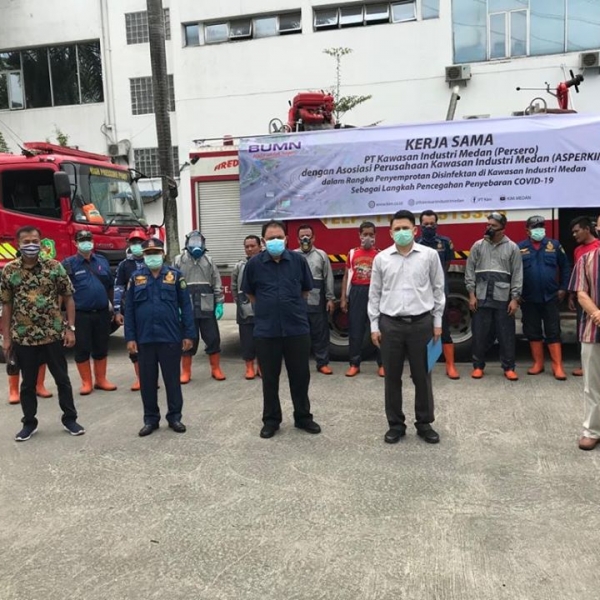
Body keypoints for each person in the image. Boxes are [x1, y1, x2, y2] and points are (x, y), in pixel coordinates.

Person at [368, 210, 445, 445]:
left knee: (423, 376)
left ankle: (424, 423)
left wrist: (437, 323)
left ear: (415, 230)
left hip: (422, 324)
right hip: (390, 325)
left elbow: (438, 289)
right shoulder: (381, 259)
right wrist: (374, 325)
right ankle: (395, 425)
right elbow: (375, 294)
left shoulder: (429, 256)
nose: (401, 232)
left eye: (406, 228)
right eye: (397, 229)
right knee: (392, 378)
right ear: (390, 232)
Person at [1, 225, 84, 441]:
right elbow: (7, 306)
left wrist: (70, 328)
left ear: (41, 242)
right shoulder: (9, 271)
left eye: (35, 241)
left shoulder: (54, 267)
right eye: (26, 241)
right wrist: (7, 337)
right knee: (28, 384)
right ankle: (29, 423)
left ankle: (70, 419)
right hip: (24, 336)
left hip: (52, 334)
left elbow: (68, 297)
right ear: (18, 244)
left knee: (62, 379)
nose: (31, 245)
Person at [241, 219, 321, 439]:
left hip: (296, 328)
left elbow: (306, 290)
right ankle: (271, 420)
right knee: (269, 379)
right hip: (267, 330)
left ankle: (303, 417)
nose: (275, 241)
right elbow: (249, 293)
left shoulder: (297, 261)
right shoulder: (254, 264)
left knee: (300, 376)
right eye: (270, 238)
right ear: (263, 241)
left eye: (279, 237)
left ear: (286, 239)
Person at [124, 238, 195, 437]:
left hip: (170, 337)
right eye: (148, 253)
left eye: (155, 252)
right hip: (144, 338)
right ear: (143, 255)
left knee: (172, 380)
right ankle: (150, 419)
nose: (152, 256)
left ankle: (175, 417)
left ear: (162, 254)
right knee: (147, 382)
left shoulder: (175, 276)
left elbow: (186, 307)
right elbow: (129, 309)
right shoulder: (135, 278)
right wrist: (130, 337)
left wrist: (189, 333)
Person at [465, 212, 523, 380]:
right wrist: (471, 295)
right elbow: (469, 271)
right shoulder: (478, 245)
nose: (489, 228)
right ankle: (477, 366)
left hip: (503, 298)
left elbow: (517, 275)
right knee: (480, 333)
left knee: (506, 334)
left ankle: (508, 367)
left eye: (493, 226)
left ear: (502, 229)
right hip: (481, 297)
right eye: (488, 225)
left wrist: (514, 299)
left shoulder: (512, 247)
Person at [63, 231, 117, 395]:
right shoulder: (68, 263)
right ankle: (87, 382)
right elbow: (63, 292)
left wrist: (114, 308)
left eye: (88, 239)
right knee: (83, 347)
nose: (86, 243)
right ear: (75, 243)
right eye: (82, 240)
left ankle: (101, 380)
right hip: (81, 314)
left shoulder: (101, 261)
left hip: (101, 312)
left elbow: (110, 286)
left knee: (101, 346)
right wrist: (64, 317)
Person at [517, 215, 571, 380]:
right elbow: (514, 273)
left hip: (550, 296)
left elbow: (565, 266)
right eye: (535, 227)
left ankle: (558, 366)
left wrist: (563, 288)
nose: (538, 229)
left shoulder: (554, 245)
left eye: (541, 226)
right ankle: (538, 364)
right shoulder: (520, 248)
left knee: (553, 331)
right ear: (527, 230)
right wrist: (516, 293)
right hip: (529, 298)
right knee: (532, 331)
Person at [173, 231, 226, 382]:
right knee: (187, 338)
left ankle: (216, 369)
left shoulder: (209, 260)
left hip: (207, 304)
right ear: (187, 243)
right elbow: (173, 284)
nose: (196, 244)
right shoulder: (179, 260)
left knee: (213, 337)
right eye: (192, 241)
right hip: (186, 305)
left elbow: (217, 283)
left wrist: (219, 304)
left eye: (199, 241)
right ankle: (186, 372)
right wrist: (175, 305)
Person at [416, 209, 459, 379]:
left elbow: (447, 264)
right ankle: (425, 366)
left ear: (437, 224)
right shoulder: (416, 243)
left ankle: (450, 366)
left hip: (441, 291)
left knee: (444, 327)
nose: (428, 227)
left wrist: (438, 281)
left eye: (432, 224)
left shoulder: (445, 242)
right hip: (421, 293)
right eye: (425, 224)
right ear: (420, 226)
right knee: (422, 329)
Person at [340, 221, 383, 377]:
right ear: (359, 235)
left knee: (378, 328)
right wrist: (344, 298)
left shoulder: (380, 254)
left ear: (375, 236)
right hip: (357, 292)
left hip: (374, 293)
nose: (368, 237)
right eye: (365, 234)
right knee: (356, 330)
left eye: (371, 235)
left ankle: (382, 364)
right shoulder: (352, 253)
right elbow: (346, 276)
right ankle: (354, 364)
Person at [569, 246, 600, 450]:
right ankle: (592, 431)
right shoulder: (586, 259)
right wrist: (597, 313)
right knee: (592, 385)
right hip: (593, 329)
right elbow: (581, 293)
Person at [295, 224, 335, 374]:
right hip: (298, 302)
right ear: (297, 239)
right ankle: (299, 364)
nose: (305, 238)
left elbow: (328, 278)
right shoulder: (293, 255)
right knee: (299, 335)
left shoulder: (321, 255)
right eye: (302, 236)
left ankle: (322, 363)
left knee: (320, 333)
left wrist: (330, 298)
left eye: (308, 235)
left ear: (314, 237)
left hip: (317, 301)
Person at [114, 228, 148, 391]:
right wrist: (117, 311)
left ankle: (151, 377)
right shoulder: (124, 265)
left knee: (151, 344)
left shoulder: (152, 261)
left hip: (149, 310)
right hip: (131, 310)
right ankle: (140, 378)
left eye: (140, 242)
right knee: (133, 343)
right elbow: (119, 288)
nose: (137, 246)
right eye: (134, 242)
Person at [569, 216, 600, 376]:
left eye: (577, 231)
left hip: (597, 298)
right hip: (584, 298)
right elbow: (578, 277)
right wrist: (572, 296)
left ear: (587, 229)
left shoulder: (598, 247)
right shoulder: (578, 251)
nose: (574, 235)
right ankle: (585, 365)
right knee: (584, 330)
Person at [231, 235, 262, 379]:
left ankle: (262, 367)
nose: (249, 249)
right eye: (247, 246)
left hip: (263, 308)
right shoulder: (239, 266)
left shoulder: (266, 263)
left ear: (260, 246)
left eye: (252, 246)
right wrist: (240, 302)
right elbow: (234, 287)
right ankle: (249, 367)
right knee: (247, 340)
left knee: (263, 340)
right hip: (245, 309)